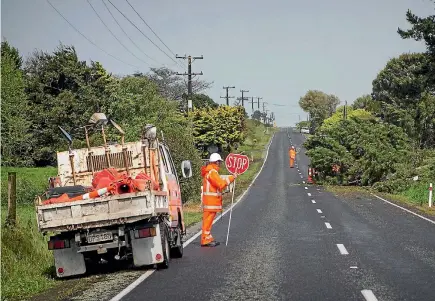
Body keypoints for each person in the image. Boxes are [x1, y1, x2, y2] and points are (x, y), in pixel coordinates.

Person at [200, 153, 237, 247]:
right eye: (219, 162)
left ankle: (207, 238)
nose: (220, 164)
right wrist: (232, 177)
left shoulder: (210, 171)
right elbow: (220, 184)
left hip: (210, 201)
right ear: (216, 162)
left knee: (207, 221)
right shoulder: (212, 172)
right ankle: (205, 240)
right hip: (211, 201)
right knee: (207, 221)